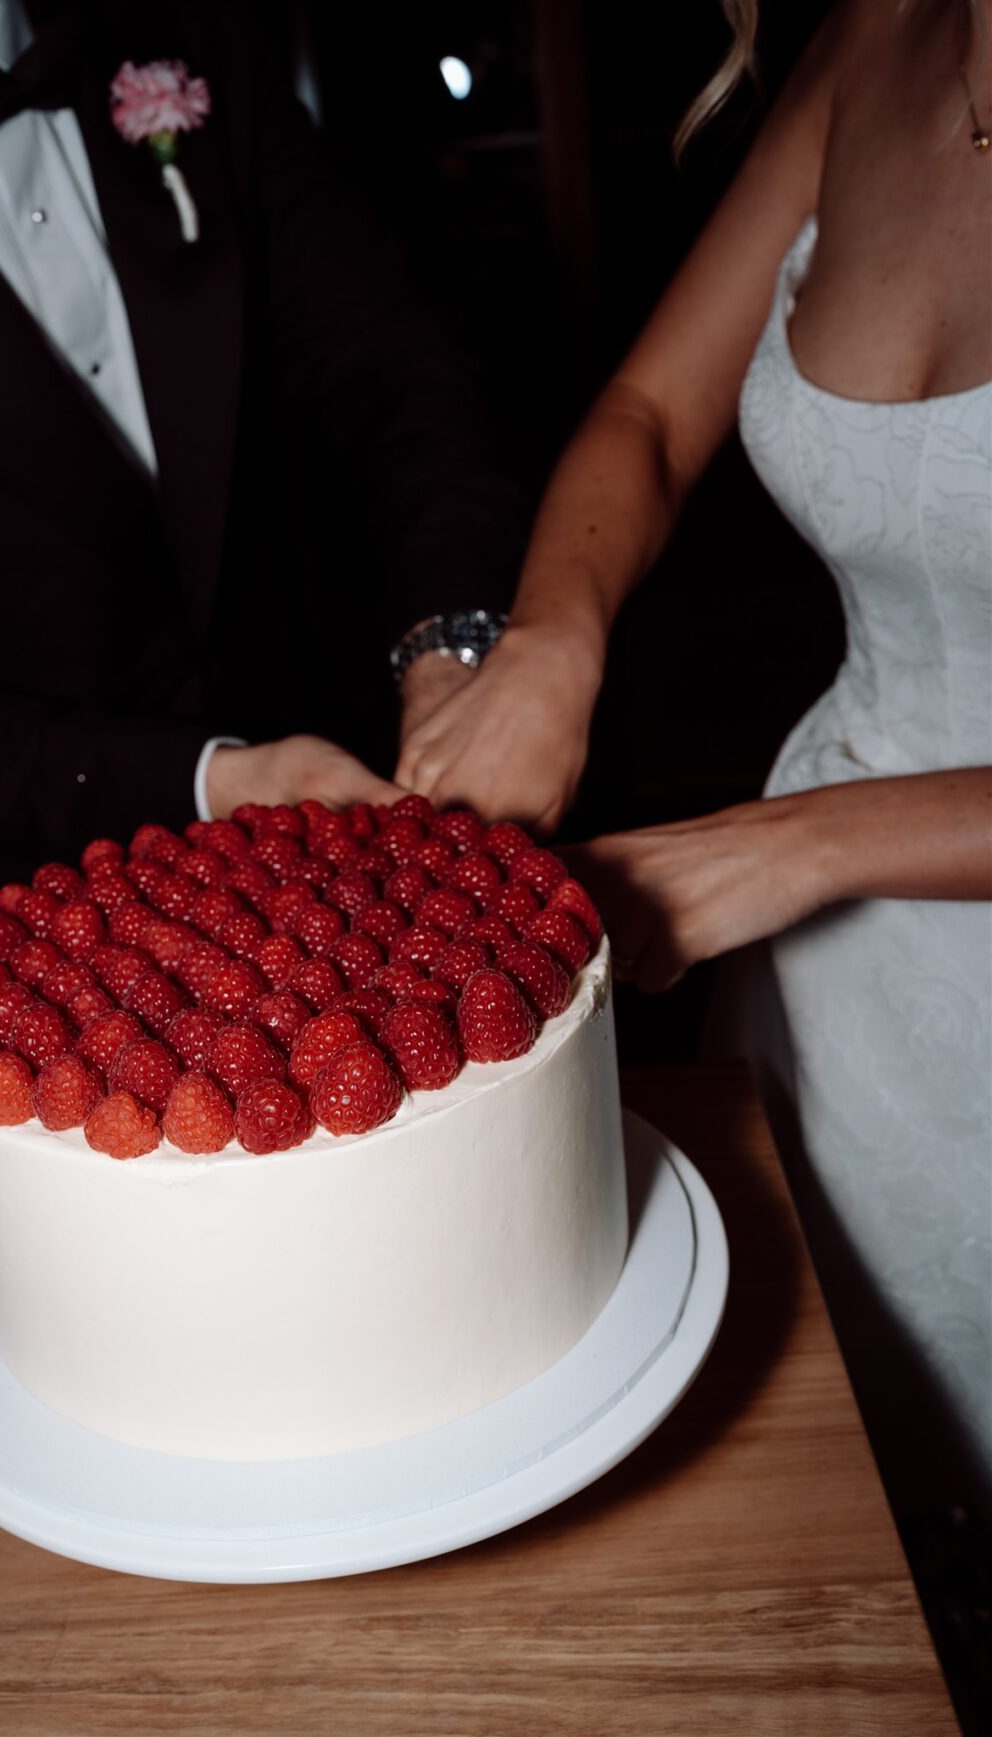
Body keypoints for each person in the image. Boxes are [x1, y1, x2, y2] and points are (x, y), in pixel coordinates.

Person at [399, 0, 992, 1516]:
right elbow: (654, 414)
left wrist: (798, 848)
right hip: (824, 999)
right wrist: (550, 641)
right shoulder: (881, 36)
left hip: (805, 871)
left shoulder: (784, 857)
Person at [0, 0, 525, 1120]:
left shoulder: (182, 29)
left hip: (329, 875)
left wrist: (446, 647)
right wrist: (207, 777)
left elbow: (403, 373)